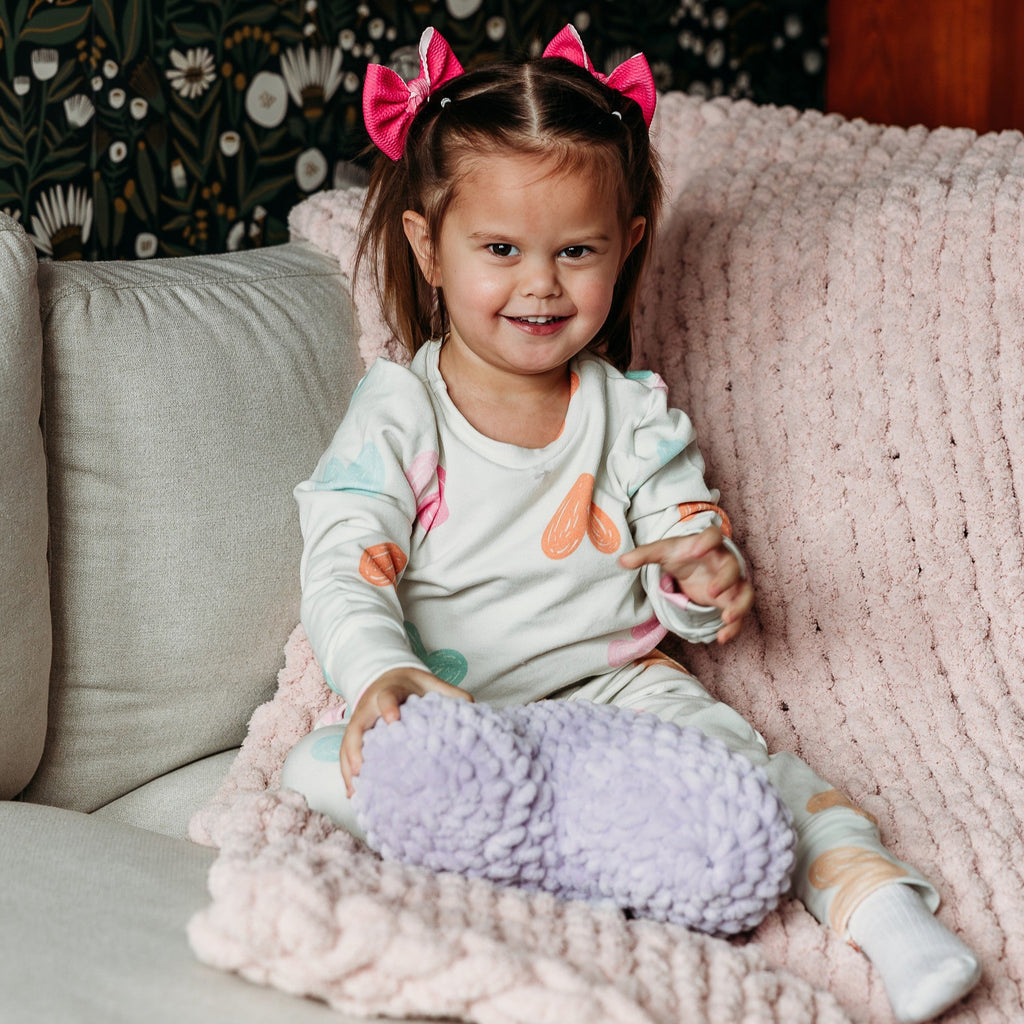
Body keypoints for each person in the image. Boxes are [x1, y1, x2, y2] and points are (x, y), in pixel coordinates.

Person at [282, 25, 980, 1023]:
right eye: (499, 250)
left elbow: (681, 549)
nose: (539, 283)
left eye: (576, 251)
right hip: (458, 707)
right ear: (427, 248)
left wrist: (706, 583)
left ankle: (888, 917)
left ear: (628, 245)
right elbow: (344, 558)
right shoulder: (403, 410)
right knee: (322, 771)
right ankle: (571, 840)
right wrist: (378, 673)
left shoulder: (631, 413)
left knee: (764, 786)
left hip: (618, 692)